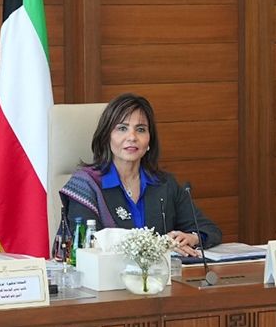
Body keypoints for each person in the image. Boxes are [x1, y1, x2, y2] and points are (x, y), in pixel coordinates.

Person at [60, 93, 222, 256]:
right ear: (106, 137)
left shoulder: (164, 184)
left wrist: (192, 237)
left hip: (162, 272)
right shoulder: (86, 184)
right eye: (122, 128)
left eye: (141, 129)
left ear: (149, 140)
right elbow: (88, 244)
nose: (132, 137)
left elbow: (209, 230)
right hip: (107, 272)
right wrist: (161, 245)